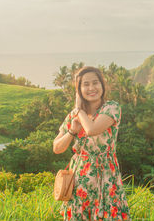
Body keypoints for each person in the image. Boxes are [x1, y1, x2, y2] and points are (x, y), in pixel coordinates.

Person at [53, 66, 131, 221]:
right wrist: (72, 132)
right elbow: (57, 148)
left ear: (102, 85)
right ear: (79, 90)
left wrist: (78, 110)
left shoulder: (111, 108)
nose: (91, 88)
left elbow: (92, 129)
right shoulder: (73, 117)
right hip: (79, 178)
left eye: (95, 83)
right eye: (85, 84)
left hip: (106, 176)